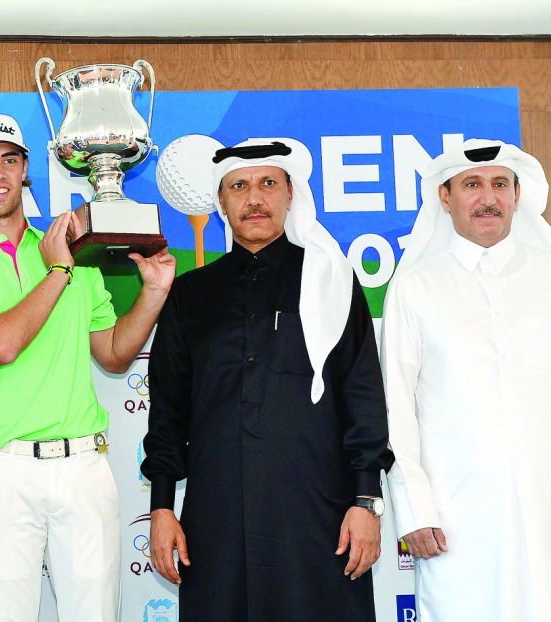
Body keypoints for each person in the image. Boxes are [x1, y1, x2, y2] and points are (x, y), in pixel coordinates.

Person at [0, 112, 175, 622]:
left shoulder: (72, 252)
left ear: (25, 170)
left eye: (8, 160)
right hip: (3, 467)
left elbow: (114, 353)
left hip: (83, 467)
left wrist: (153, 295)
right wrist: (59, 269)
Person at [141, 138, 393, 620]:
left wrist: (366, 501)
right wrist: (161, 507)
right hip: (217, 517)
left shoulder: (332, 280)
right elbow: (168, 411)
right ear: (221, 201)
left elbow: (362, 397)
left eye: (268, 184)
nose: (254, 198)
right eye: (239, 186)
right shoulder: (190, 295)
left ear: (290, 195)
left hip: (320, 513)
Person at [382, 139, 551, 621]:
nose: (487, 197)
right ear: (445, 198)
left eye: (499, 184)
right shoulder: (415, 286)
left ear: (516, 195)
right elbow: (396, 408)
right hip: (456, 514)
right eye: (472, 184)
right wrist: (415, 510)